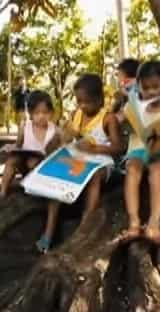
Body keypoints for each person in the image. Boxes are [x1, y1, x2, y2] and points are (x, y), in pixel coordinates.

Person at [36, 74, 124, 253]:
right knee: (57, 176)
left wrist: (95, 148)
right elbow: (67, 138)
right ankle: (49, 232)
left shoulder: (108, 119)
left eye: (87, 102)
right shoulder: (76, 114)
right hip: (79, 158)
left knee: (93, 177)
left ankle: (85, 227)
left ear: (99, 99)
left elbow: (118, 147)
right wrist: (60, 137)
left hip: (101, 160)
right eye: (79, 101)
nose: (83, 106)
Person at [122, 61, 160, 245]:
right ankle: (134, 221)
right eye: (146, 88)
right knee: (132, 169)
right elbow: (125, 129)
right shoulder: (133, 107)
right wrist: (124, 120)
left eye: (156, 87)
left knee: (157, 172)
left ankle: (154, 221)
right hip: (137, 149)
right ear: (138, 86)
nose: (151, 92)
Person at [0, 90, 61, 212]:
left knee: (33, 161)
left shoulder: (55, 130)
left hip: (41, 166)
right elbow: (18, 145)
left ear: (51, 113)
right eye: (37, 113)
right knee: (12, 160)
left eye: (45, 112)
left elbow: (58, 151)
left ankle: (35, 192)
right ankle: (3, 192)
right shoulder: (25, 127)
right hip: (24, 163)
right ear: (30, 113)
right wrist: (10, 148)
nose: (41, 116)